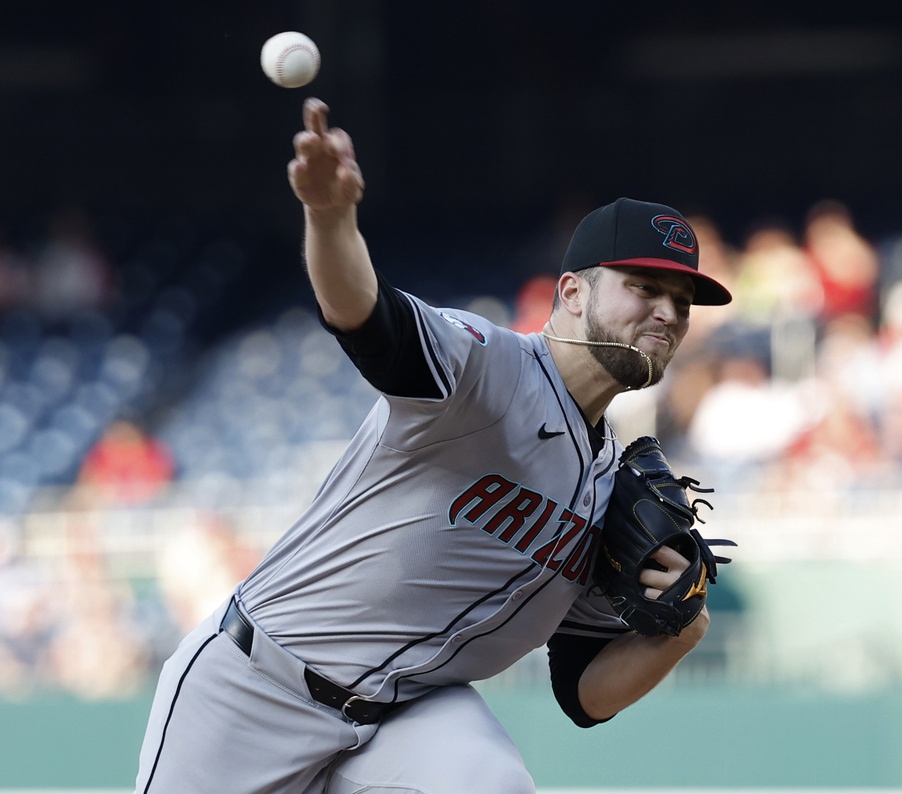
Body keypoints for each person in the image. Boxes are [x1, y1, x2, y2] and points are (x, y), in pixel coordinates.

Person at [134, 98, 733, 794]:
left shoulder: (611, 490)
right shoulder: (485, 364)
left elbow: (583, 694)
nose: (666, 311)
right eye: (644, 287)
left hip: (407, 715)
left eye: (682, 303)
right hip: (257, 685)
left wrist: (682, 629)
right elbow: (365, 318)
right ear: (571, 291)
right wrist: (330, 218)